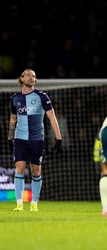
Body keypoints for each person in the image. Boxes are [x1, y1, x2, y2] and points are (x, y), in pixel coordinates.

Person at [8, 68, 62, 212]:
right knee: (19, 169)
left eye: (34, 76)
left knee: (36, 170)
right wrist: (10, 137)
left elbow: (52, 117)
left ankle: (34, 204)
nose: (32, 78)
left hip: (37, 139)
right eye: (29, 75)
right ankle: (19, 204)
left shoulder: (42, 96)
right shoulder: (15, 98)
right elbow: (13, 119)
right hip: (20, 139)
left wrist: (59, 138)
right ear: (22, 78)